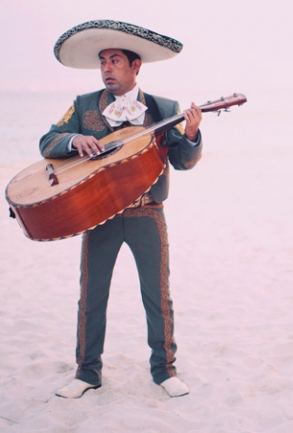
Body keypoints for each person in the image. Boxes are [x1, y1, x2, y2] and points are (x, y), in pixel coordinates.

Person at [41, 20, 203, 399]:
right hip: (99, 214)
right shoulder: (83, 106)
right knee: (92, 293)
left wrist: (192, 136)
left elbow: (183, 161)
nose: (107, 69)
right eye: (102, 62)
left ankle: (164, 370)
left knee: (157, 294)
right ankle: (87, 373)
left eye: (115, 61)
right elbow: (47, 140)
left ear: (135, 66)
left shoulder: (163, 108)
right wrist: (74, 139)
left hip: (148, 212)